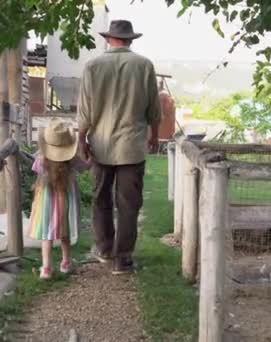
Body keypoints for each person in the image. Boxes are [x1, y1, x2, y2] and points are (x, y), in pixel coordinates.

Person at [77, 20, 161, 275]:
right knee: (128, 204)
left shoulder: (92, 66)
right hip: (131, 147)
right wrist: (154, 135)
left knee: (101, 200)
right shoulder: (144, 65)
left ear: (109, 39)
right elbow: (154, 109)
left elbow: (85, 111)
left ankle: (104, 249)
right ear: (130, 40)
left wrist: (82, 140)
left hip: (101, 144)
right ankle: (122, 260)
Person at [29, 119, 90, 280]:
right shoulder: (72, 159)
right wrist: (92, 158)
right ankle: (65, 263)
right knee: (65, 232)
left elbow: (35, 170)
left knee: (46, 235)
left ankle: (46, 268)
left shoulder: (41, 158)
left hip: (46, 201)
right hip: (65, 199)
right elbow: (85, 167)